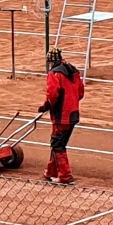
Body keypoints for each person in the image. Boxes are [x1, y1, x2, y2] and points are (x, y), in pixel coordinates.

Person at [39, 49, 83, 184]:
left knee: (58, 144)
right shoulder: (73, 71)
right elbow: (80, 91)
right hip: (73, 113)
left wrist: (46, 106)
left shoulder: (54, 73)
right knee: (58, 143)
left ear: (51, 62)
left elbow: (52, 94)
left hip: (61, 115)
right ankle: (50, 171)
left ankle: (64, 176)